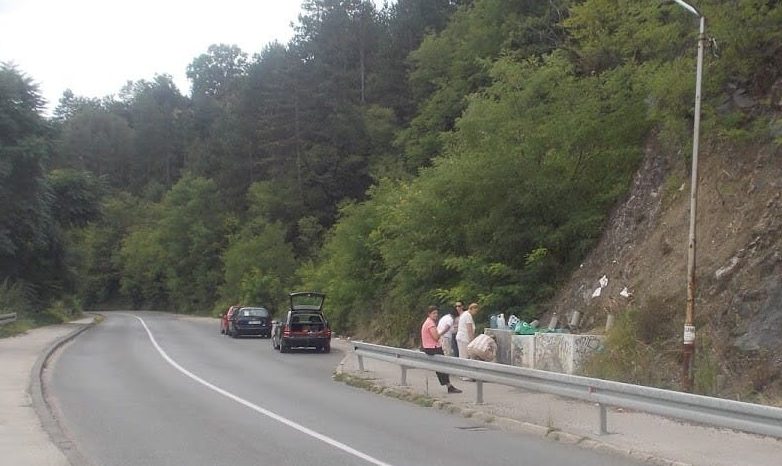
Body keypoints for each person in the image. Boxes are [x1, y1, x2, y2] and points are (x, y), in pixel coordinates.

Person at [420, 305, 462, 394]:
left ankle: (449, 386)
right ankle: (449, 386)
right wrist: (443, 332)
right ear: (429, 314)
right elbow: (435, 337)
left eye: (436, 313)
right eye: (433, 313)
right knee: (442, 367)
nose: (436, 315)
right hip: (433, 348)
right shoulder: (430, 324)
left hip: (429, 347)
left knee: (440, 368)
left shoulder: (428, 322)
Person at [455, 303, 479, 380]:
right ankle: (465, 376)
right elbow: (469, 330)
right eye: (475, 311)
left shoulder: (464, 314)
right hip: (464, 338)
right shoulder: (468, 316)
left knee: (463, 356)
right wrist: (472, 341)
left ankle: (463, 374)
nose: (475, 313)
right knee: (465, 356)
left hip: (461, 338)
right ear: (472, 309)